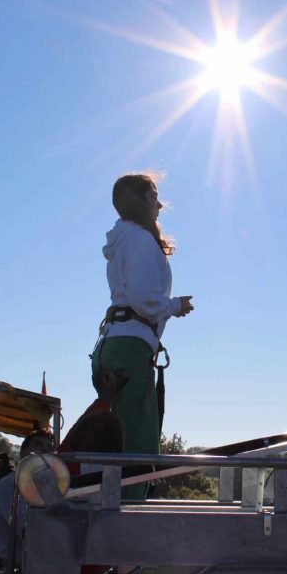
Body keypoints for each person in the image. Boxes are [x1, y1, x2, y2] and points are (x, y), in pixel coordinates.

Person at [95, 172, 194, 499]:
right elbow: (144, 300)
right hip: (130, 348)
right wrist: (174, 306)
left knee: (117, 440)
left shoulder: (123, 240)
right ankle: (126, 515)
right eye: (154, 196)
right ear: (139, 201)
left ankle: (113, 505)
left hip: (113, 344)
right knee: (137, 444)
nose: (160, 204)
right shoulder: (139, 239)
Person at [0, 433, 55, 574]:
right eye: (38, 445)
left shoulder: (49, 486)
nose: (44, 451)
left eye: (49, 448)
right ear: (23, 452)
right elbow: (30, 533)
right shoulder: (10, 486)